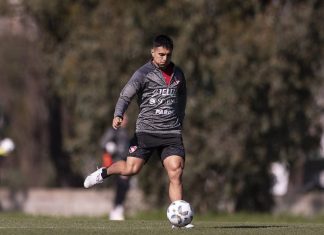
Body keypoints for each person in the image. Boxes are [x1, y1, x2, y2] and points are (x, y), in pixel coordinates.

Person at [84, 34, 193, 228]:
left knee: (176, 171)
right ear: (153, 52)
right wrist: (118, 114)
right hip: (146, 132)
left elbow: (182, 95)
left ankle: (179, 221)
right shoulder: (143, 73)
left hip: (171, 133)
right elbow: (126, 95)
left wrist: (180, 117)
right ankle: (103, 172)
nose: (164, 59)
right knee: (131, 169)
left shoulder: (178, 74)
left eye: (168, 55)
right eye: (160, 54)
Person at [100, 115, 130, 220]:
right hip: (116, 163)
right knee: (122, 185)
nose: (125, 121)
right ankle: (116, 209)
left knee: (123, 186)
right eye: (123, 119)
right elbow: (103, 143)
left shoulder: (125, 132)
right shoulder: (113, 131)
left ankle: (118, 208)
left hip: (125, 162)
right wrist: (111, 147)